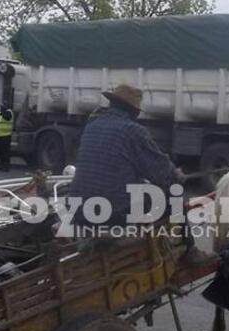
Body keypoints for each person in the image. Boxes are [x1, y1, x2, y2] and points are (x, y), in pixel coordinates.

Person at [68, 84, 184, 228]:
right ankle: (181, 241)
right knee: (173, 194)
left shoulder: (92, 125)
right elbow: (161, 172)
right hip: (113, 214)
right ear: (134, 111)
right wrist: (176, 176)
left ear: (112, 103)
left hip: (78, 210)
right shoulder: (133, 131)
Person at [0, 107, 14, 172]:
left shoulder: (9, 112)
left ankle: (6, 166)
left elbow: (7, 118)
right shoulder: (0, 113)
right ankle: (1, 165)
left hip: (6, 135)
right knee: (0, 152)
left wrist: (3, 111)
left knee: (5, 152)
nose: (0, 107)